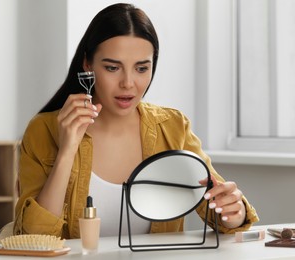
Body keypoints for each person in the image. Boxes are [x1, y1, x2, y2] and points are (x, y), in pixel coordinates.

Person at [14, 3, 259, 239]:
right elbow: (35, 239)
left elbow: (220, 210)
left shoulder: (172, 127)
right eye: (112, 68)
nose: (128, 84)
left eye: (141, 69)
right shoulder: (43, 130)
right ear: (88, 64)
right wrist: (67, 151)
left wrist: (233, 214)